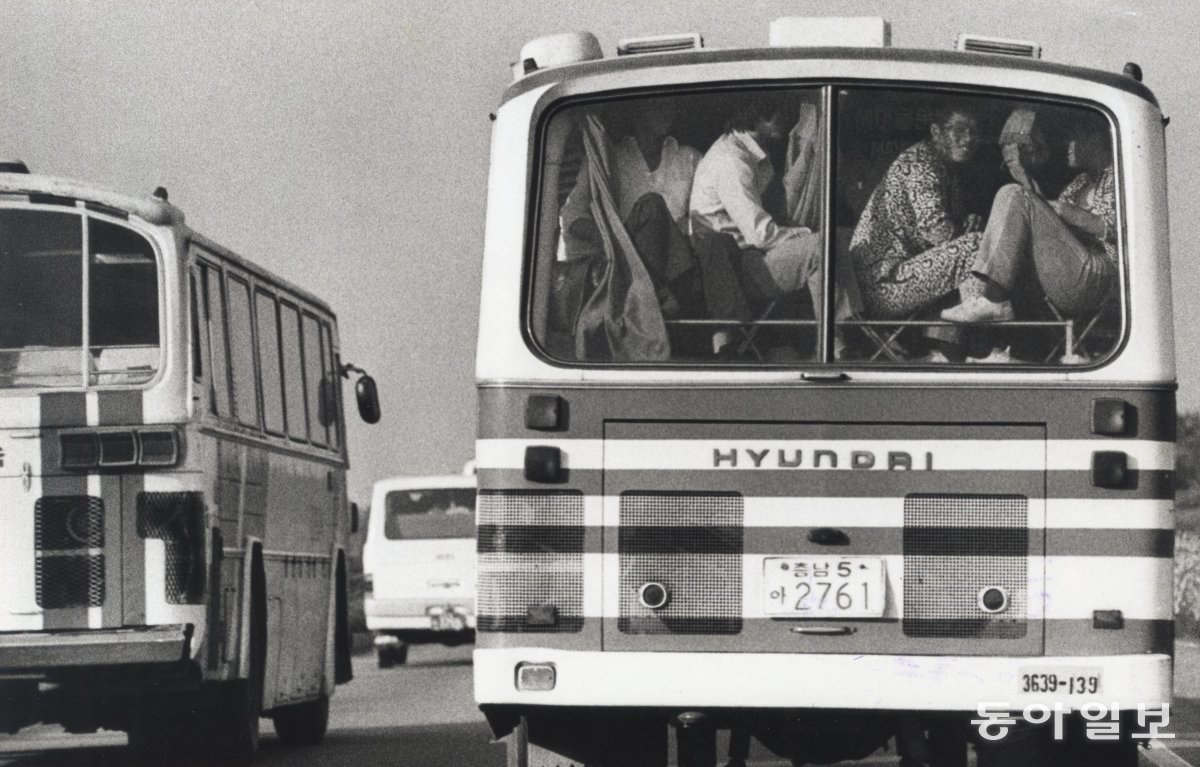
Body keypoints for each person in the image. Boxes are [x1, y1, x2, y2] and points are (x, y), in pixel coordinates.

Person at [940, 116, 1116, 325]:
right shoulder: (1079, 183)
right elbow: (1044, 219)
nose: (1067, 146)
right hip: (1066, 272)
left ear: (1096, 139)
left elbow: (1119, 231)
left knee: (1013, 194)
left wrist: (1066, 211)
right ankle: (986, 328)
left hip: (1098, 277)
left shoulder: (1122, 177)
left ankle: (993, 301)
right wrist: (1020, 173)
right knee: (1010, 200)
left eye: (1073, 138)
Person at [688, 92, 825, 357]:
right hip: (734, 270)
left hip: (747, 257)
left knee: (827, 243)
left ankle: (835, 340)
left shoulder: (747, 153)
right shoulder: (732, 160)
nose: (787, 119)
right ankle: (837, 341)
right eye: (779, 112)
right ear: (759, 117)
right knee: (821, 246)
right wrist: (804, 232)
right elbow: (759, 233)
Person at [560, 100, 703, 318]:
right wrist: (614, 243)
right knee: (652, 205)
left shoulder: (690, 157)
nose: (668, 112)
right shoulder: (608, 160)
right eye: (658, 105)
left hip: (680, 260)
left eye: (671, 105)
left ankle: (654, 301)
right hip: (624, 260)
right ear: (637, 112)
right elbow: (573, 217)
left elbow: (704, 212)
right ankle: (654, 298)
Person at [849, 107, 985, 321]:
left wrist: (966, 221)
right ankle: (980, 343)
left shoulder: (944, 166)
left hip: (900, 276)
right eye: (959, 130)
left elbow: (946, 228)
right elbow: (937, 231)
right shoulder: (920, 164)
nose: (968, 139)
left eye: (974, 131)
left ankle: (952, 345)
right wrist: (965, 231)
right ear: (936, 132)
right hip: (884, 287)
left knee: (975, 245)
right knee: (977, 246)